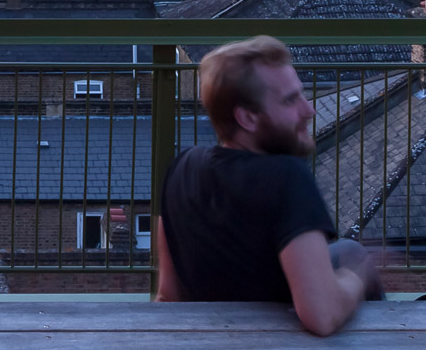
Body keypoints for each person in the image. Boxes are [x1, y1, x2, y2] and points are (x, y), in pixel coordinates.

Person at [154, 35, 381, 333]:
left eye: (303, 95)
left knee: (348, 250)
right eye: (290, 100)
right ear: (247, 117)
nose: (309, 110)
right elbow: (321, 316)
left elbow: (167, 296)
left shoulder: (183, 167)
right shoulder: (288, 177)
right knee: (355, 257)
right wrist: (360, 275)